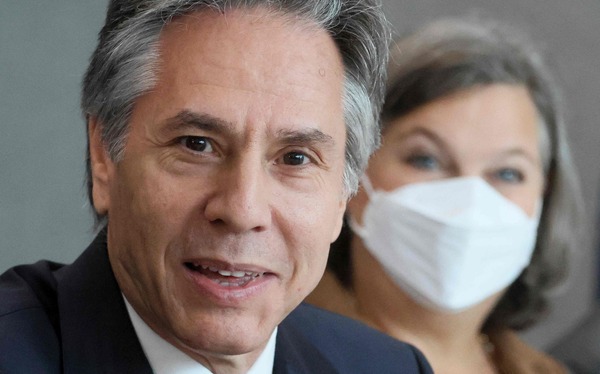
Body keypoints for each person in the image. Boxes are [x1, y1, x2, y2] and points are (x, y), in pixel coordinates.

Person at [0, 1, 434, 373]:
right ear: (103, 157)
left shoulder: (387, 366)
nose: (243, 210)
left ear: (344, 193)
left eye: (296, 158)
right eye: (197, 145)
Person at [307, 17, 583, 374]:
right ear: (354, 172)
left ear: (543, 198)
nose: (469, 199)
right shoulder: (265, 351)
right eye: (426, 159)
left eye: (507, 173)